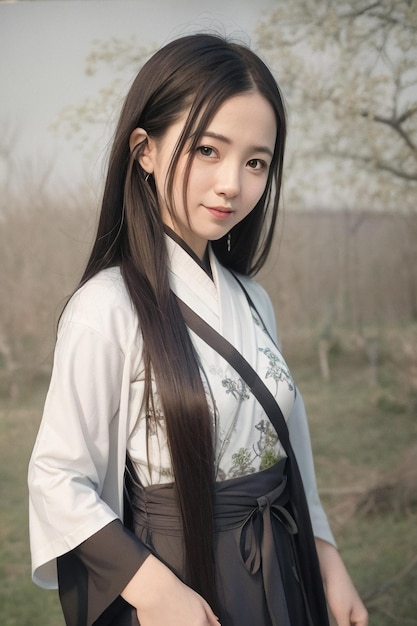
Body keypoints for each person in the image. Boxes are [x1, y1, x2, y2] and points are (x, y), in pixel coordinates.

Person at [28, 33, 368, 626]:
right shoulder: (105, 308)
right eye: (209, 150)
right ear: (146, 150)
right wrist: (155, 590)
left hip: (282, 567)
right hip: (183, 578)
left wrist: (325, 555)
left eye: (256, 161)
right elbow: (57, 477)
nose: (233, 183)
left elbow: (292, 447)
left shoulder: (254, 299)